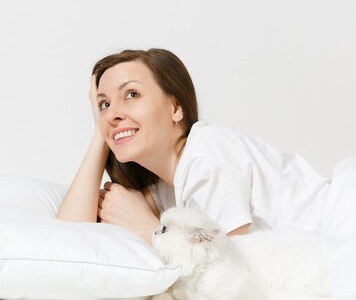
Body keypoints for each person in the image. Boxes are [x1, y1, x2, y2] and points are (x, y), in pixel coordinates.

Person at [56, 48, 330, 246]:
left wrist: (149, 229)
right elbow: (66, 242)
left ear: (175, 108)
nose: (113, 113)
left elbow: (230, 275)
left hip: (346, 227)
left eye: (131, 94)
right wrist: (99, 134)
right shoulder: (161, 184)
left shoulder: (207, 156)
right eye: (104, 104)